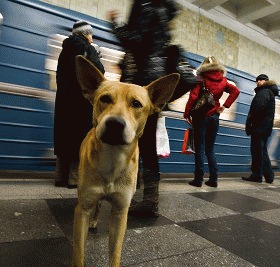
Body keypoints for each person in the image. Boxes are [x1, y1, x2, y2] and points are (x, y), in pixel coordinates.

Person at [108, 0, 179, 217]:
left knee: (142, 142)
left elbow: (136, 40)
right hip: (152, 86)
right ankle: (143, 194)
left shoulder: (148, 8)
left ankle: (148, 200)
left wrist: (114, 24)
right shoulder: (163, 13)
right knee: (142, 142)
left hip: (142, 83)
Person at [54, 21, 105, 188]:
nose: (91, 36)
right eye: (90, 33)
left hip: (63, 102)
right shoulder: (88, 49)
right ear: (86, 34)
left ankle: (60, 178)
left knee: (63, 138)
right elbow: (99, 71)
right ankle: (73, 180)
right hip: (81, 103)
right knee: (78, 139)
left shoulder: (64, 50)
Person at [184, 56, 240, 188]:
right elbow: (235, 91)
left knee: (200, 148)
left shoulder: (201, 77)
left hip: (201, 116)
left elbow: (193, 97)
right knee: (210, 149)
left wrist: (186, 113)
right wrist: (224, 106)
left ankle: (198, 179)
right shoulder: (223, 80)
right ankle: (213, 179)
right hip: (214, 116)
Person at [242, 74, 279, 184]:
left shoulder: (264, 92)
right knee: (261, 152)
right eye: (257, 80)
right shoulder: (268, 92)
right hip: (264, 127)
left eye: (261, 80)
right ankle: (266, 176)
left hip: (259, 127)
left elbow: (257, 109)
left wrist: (251, 124)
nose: (258, 82)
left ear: (266, 81)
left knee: (258, 152)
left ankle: (258, 175)